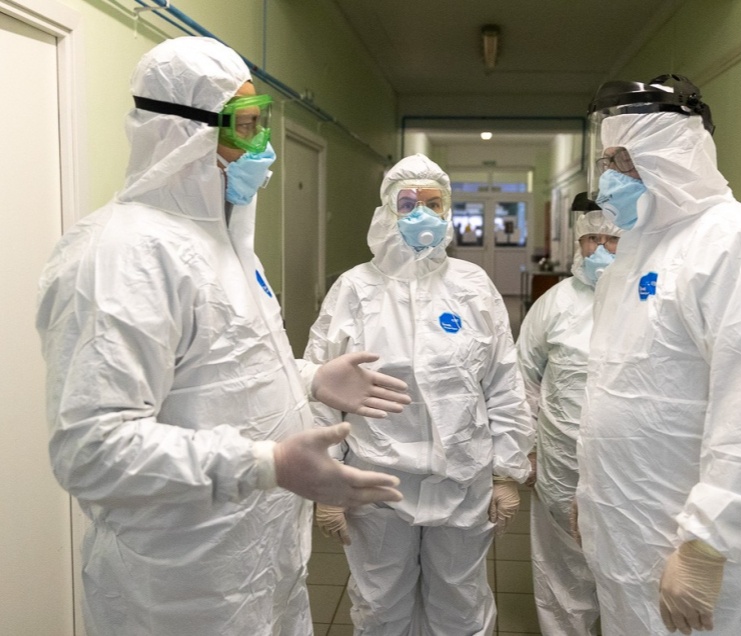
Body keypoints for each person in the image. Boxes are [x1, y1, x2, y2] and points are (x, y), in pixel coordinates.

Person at [35, 36, 412, 636]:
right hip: (181, 587)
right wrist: (268, 463)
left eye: (262, 122)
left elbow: (223, 373)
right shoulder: (121, 255)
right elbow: (93, 449)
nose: (263, 147)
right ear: (181, 131)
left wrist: (311, 378)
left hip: (261, 562)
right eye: (245, 126)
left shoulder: (225, 243)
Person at [575, 74, 741, 635]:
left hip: (698, 551)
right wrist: (592, 494)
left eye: (624, 161)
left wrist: (709, 546)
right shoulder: (635, 253)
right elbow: (616, 391)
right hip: (628, 527)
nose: (610, 178)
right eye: (607, 161)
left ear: (671, 155)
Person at [304, 153, 534, 635]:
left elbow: (502, 381)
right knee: (380, 605)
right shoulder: (355, 289)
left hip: (462, 478)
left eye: (434, 203)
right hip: (377, 479)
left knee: (460, 604)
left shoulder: (472, 286)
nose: (422, 214)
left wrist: (506, 473)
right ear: (387, 211)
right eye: (408, 204)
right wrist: (326, 482)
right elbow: (322, 391)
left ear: (448, 210)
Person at [516, 192, 621, 635]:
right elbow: (523, 378)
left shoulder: (652, 298)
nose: (600, 249)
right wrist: (527, 449)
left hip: (628, 466)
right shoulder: (555, 304)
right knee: (563, 572)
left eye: (612, 239)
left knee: (625, 573)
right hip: (561, 460)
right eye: (591, 239)